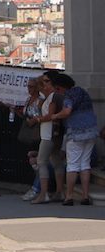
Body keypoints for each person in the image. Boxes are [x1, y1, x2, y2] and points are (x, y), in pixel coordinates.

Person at [49, 73, 99, 205]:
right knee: (85, 164)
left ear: (59, 87)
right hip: (91, 131)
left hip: (76, 133)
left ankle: (69, 197)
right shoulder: (83, 92)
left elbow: (67, 111)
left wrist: (56, 116)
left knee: (72, 165)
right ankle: (85, 195)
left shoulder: (69, 96)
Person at [32, 72, 65, 204]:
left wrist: (38, 119)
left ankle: (44, 193)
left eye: (46, 81)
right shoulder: (54, 97)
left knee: (41, 161)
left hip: (48, 134)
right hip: (52, 134)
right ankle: (59, 192)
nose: (44, 84)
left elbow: (50, 115)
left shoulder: (53, 97)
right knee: (56, 163)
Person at [16, 77, 44, 201]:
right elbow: (24, 115)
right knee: (30, 159)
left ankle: (39, 186)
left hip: (37, 132)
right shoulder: (28, 100)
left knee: (36, 160)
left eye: (32, 86)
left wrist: (36, 119)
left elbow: (42, 115)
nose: (29, 89)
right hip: (27, 131)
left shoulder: (40, 101)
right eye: (28, 86)